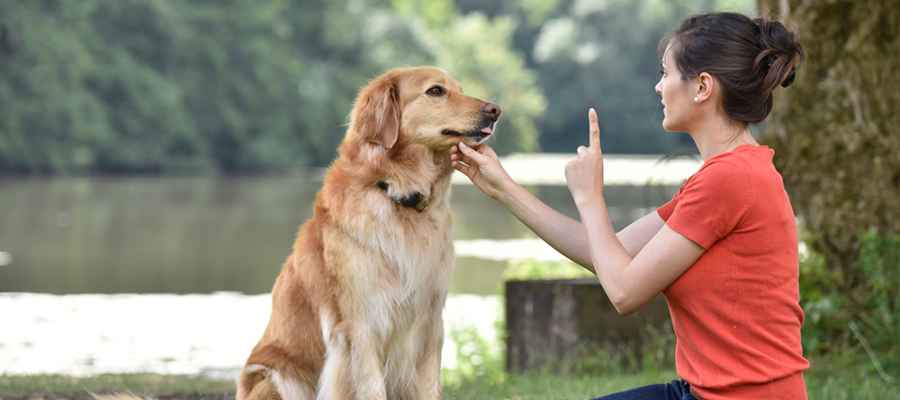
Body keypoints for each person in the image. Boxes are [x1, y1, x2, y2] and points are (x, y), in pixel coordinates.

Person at [450, 11, 809, 400]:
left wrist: (590, 198)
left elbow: (623, 292)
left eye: (665, 74)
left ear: (702, 86)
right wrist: (504, 188)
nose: (658, 88)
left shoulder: (729, 180)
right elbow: (610, 253)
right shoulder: (728, 175)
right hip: (702, 392)